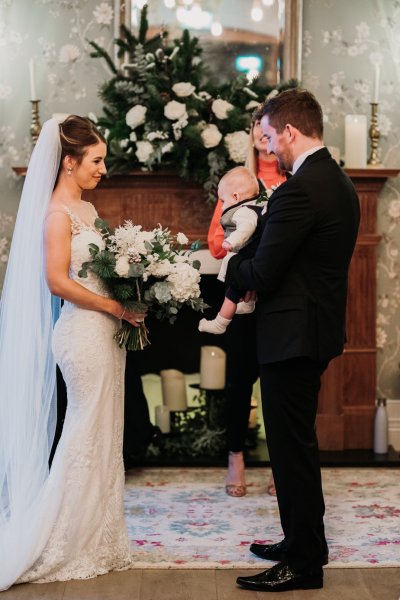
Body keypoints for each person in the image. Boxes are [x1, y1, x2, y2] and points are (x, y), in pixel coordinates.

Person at [0, 116, 147, 590]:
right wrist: (114, 307)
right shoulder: (56, 215)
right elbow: (58, 281)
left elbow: (105, 269)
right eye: (97, 160)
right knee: (84, 433)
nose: (104, 168)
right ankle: (58, 541)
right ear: (69, 161)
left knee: (106, 432)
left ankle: (98, 539)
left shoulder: (89, 210)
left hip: (107, 333)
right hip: (82, 335)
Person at [227, 89, 360, 592]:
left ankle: (304, 563)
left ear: (290, 131)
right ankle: (302, 541)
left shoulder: (300, 189)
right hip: (312, 330)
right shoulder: (337, 181)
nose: (266, 150)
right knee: (295, 446)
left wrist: (231, 266)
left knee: (290, 450)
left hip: (293, 335)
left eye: (267, 138)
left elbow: (260, 269)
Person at [205, 119, 286, 498]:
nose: (261, 134)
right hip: (242, 300)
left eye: (266, 127)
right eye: (256, 126)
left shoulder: (292, 180)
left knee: (279, 386)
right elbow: (218, 243)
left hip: (279, 298)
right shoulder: (237, 184)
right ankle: (235, 457)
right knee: (239, 381)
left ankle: (280, 462)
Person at [198, 166, 263, 335]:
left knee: (232, 292)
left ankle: (220, 323)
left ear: (236, 197)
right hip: (251, 258)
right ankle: (249, 304)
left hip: (245, 257)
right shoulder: (255, 206)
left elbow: (245, 229)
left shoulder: (244, 212)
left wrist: (231, 242)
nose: (222, 206)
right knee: (238, 290)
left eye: (223, 201)